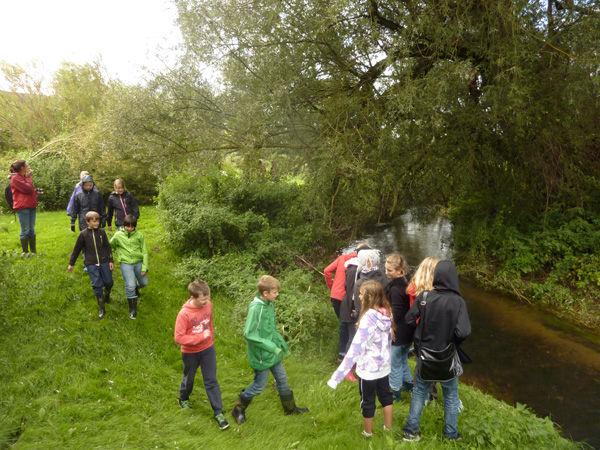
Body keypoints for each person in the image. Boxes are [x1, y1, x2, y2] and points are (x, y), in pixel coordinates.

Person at [402, 260, 471, 442]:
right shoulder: (458, 302)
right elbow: (464, 331)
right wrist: (452, 341)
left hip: (424, 356)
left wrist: (421, 332)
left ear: (437, 277)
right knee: (450, 396)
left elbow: (409, 320)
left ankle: (411, 432)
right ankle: (451, 435)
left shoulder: (424, 297)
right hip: (447, 358)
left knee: (419, 392)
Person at [231, 275, 308, 424]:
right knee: (259, 385)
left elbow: (270, 329)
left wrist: (280, 344)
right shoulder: (256, 309)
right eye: (275, 292)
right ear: (265, 293)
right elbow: (249, 334)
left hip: (273, 353)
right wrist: (271, 347)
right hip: (261, 354)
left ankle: (290, 410)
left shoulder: (268, 304)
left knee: (282, 380)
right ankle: (238, 409)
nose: (277, 294)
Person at [327, 280, 394, 438]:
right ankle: (388, 428)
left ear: (368, 297)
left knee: (367, 400)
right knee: (386, 396)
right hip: (384, 366)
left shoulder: (368, 319)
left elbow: (354, 351)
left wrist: (336, 377)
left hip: (368, 370)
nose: (358, 296)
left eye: (361, 294)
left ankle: (367, 433)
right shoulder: (387, 313)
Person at [174, 280, 229, 430]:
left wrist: (210, 337)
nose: (206, 301)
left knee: (211, 380)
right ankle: (183, 398)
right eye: (203, 298)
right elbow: (178, 338)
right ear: (193, 297)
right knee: (189, 379)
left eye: (207, 297)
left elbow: (209, 322)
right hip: (190, 353)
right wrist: (200, 337)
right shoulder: (184, 314)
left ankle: (218, 412)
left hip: (207, 349)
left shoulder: (208, 305)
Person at [67, 211, 114, 319]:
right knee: (97, 284)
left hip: (104, 261)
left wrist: (111, 260)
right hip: (91, 263)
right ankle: (101, 307)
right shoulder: (83, 234)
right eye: (93, 221)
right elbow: (76, 250)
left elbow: (107, 247)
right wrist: (71, 263)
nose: (96, 223)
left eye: (97, 220)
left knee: (109, 282)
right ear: (87, 222)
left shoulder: (102, 232)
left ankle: (107, 294)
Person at [338, 243, 371, 379]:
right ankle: (347, 370)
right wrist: (356, 310)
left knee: (353, 337)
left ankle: (354, 365)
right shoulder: (353, 270)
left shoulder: (359, 268)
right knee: (352, 339)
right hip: (350, 308)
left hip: (354, 307)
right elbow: (351, 291)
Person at [384, 253, 414, 401]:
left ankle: (395, 394)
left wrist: (391, 328)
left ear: (399, 270)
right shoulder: (405, 283)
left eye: (390, 270)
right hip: (409, 331)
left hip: (399, 332)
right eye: (386, 269)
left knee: (394, 364)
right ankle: (409, 385)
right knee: (402, 360)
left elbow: (397, 313)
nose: (386, 272)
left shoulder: (395, 290)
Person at [109, 214, 148, 320]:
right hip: (125, 263)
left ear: (135, 226)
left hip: (138, 262)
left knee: (144, 283)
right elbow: (109, 246)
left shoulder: (139, 235)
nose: (130, 228)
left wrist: (144, 267)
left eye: (132, 226)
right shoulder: (117, 235)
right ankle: (133, 309)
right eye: (128, 226)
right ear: (124, 225)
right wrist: (111, 258)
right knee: (130, 285)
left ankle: (136, 288)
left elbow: (144, 252)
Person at [323, 247, 357, 361]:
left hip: (335, 296)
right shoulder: (357, 262)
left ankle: (342, 353)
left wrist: (331, 286)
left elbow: (326, 271)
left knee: (343, 323)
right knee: (348, 324)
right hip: (345, 298)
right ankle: (346, 355)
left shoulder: (341, 258)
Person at [9, 160, 39, 256]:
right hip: (23, 207)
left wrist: (36, 192)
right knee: (25, 230)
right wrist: (29, 177)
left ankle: (33, 252)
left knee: (31, 229)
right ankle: (25, 253)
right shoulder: (15, 178)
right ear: (22, 167)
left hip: (31, 205)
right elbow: (28, 189)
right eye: (26, 165)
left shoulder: (23, 177)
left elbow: (30, 190)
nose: (28, 166)